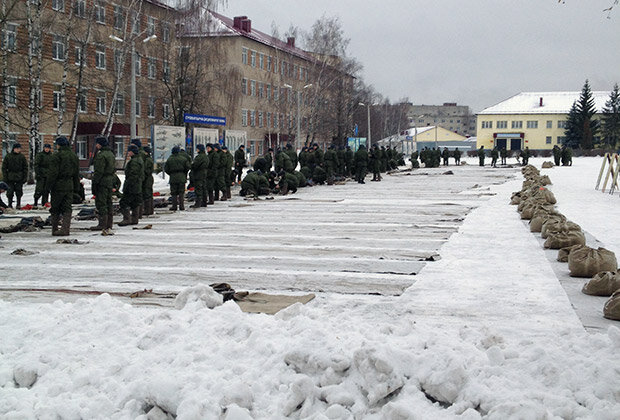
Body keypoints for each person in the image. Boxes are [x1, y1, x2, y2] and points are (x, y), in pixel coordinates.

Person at [46, 136, 79, 236]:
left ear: (58, 145)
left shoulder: (56, 156)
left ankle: (55, 229)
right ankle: (65, 229)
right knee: (67, 207)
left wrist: (47, 187)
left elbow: (53, 173)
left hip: (58, 185)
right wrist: (76, 188)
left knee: (55, 207)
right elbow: (76, 173)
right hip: (69, 184)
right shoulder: (73, 156)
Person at [90, 137, 116, 230]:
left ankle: (102, 224)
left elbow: (99, 171)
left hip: (102, 181)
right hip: (109, 181)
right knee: (109, 202)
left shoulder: (101, 155)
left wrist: (95, 182)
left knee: (101, 203)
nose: (96, 145)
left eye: (97, 143)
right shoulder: (111, 154)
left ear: (100, 144)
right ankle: (109, 223)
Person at [118, 144, 144, 226]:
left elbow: (133, 175)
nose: (128, 153)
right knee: (135, 202)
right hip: (137, 185)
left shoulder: (134, 162)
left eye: (129, 151)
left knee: (124, 202)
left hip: (132, 186)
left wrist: (128, 186)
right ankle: (134, 219)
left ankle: (127, 219)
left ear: (133, 152)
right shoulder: (139, 159)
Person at [2, 143, 28, 209]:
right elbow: (4, 168)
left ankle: (18, 204)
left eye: (19, 148)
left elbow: (25, 168)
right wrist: (5, 177)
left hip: (19, 177)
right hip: (10, 177)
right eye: (17, 148)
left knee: (19, 192)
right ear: (14, 149)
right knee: (10, 192)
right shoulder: (8, 156)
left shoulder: (22, 157)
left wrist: (24, 177)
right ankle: (9, 204)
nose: (18, 150)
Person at [165, 145, 190, 211]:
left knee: (174, 193)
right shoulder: (183, 159)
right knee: (181, 192)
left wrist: (171, 173)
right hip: (181, 176)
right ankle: (182, 206)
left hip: (173, 177)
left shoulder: (169, 159)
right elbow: (187, 167)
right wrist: (184, 173)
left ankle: (174, 206)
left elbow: (166, 169)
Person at [33, 143, 53, 207]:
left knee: (46, 190)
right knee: (39, 189)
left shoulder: (51, 156)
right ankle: (35, 202)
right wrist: (38, 173)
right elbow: (36, 165)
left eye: (48, 148)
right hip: (41, 175)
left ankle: (44, 202)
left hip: (48, 175)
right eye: (46, 148)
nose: (47, 149)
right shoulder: (40, 155)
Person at [190, 144, 209, 208]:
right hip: (204, 174)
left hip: (198, 174)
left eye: (197, 148)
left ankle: (198, 203)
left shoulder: (199, 157)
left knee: (198, 189)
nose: (196, 150)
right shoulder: (206, 156)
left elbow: (195, 165)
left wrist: (191, 166)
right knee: (203, 188)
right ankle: (204, 202)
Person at [142, 146, 155, 216]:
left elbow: (146, 170)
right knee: (149, 193)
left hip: (148, 178)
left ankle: (147, 210)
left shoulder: (147, 160)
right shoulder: (149, 159)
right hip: (149, 178)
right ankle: (149, 210)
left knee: (147, 194)